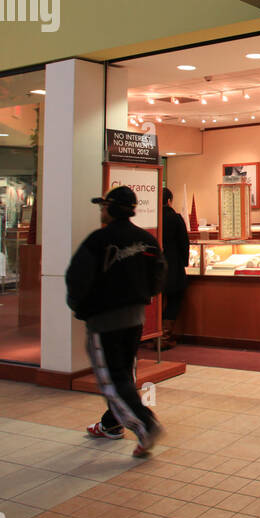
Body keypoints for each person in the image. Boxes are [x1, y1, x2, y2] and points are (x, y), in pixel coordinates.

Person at [66, 186, 167, 457]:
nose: (101, 210)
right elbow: (159, 275)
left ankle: (144, 424)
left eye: (103, 206)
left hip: (104, 320)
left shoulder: (99, 240)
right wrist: (142, 296)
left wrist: (82, 309)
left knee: (112, 378)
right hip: (135, 319)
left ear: (110, 208)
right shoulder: (146, 240)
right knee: (124, 373)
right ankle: (112, 424)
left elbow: (77, 279)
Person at [159, 187, 189, 350]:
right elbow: (184, 243)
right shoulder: (175, 218)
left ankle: (153, 335)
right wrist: (185, 263)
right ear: (169, 201)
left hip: (155, 267)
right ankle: (165, 336)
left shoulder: (153, 218)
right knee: (174, 300)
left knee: (156, 302)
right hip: (173, 266)